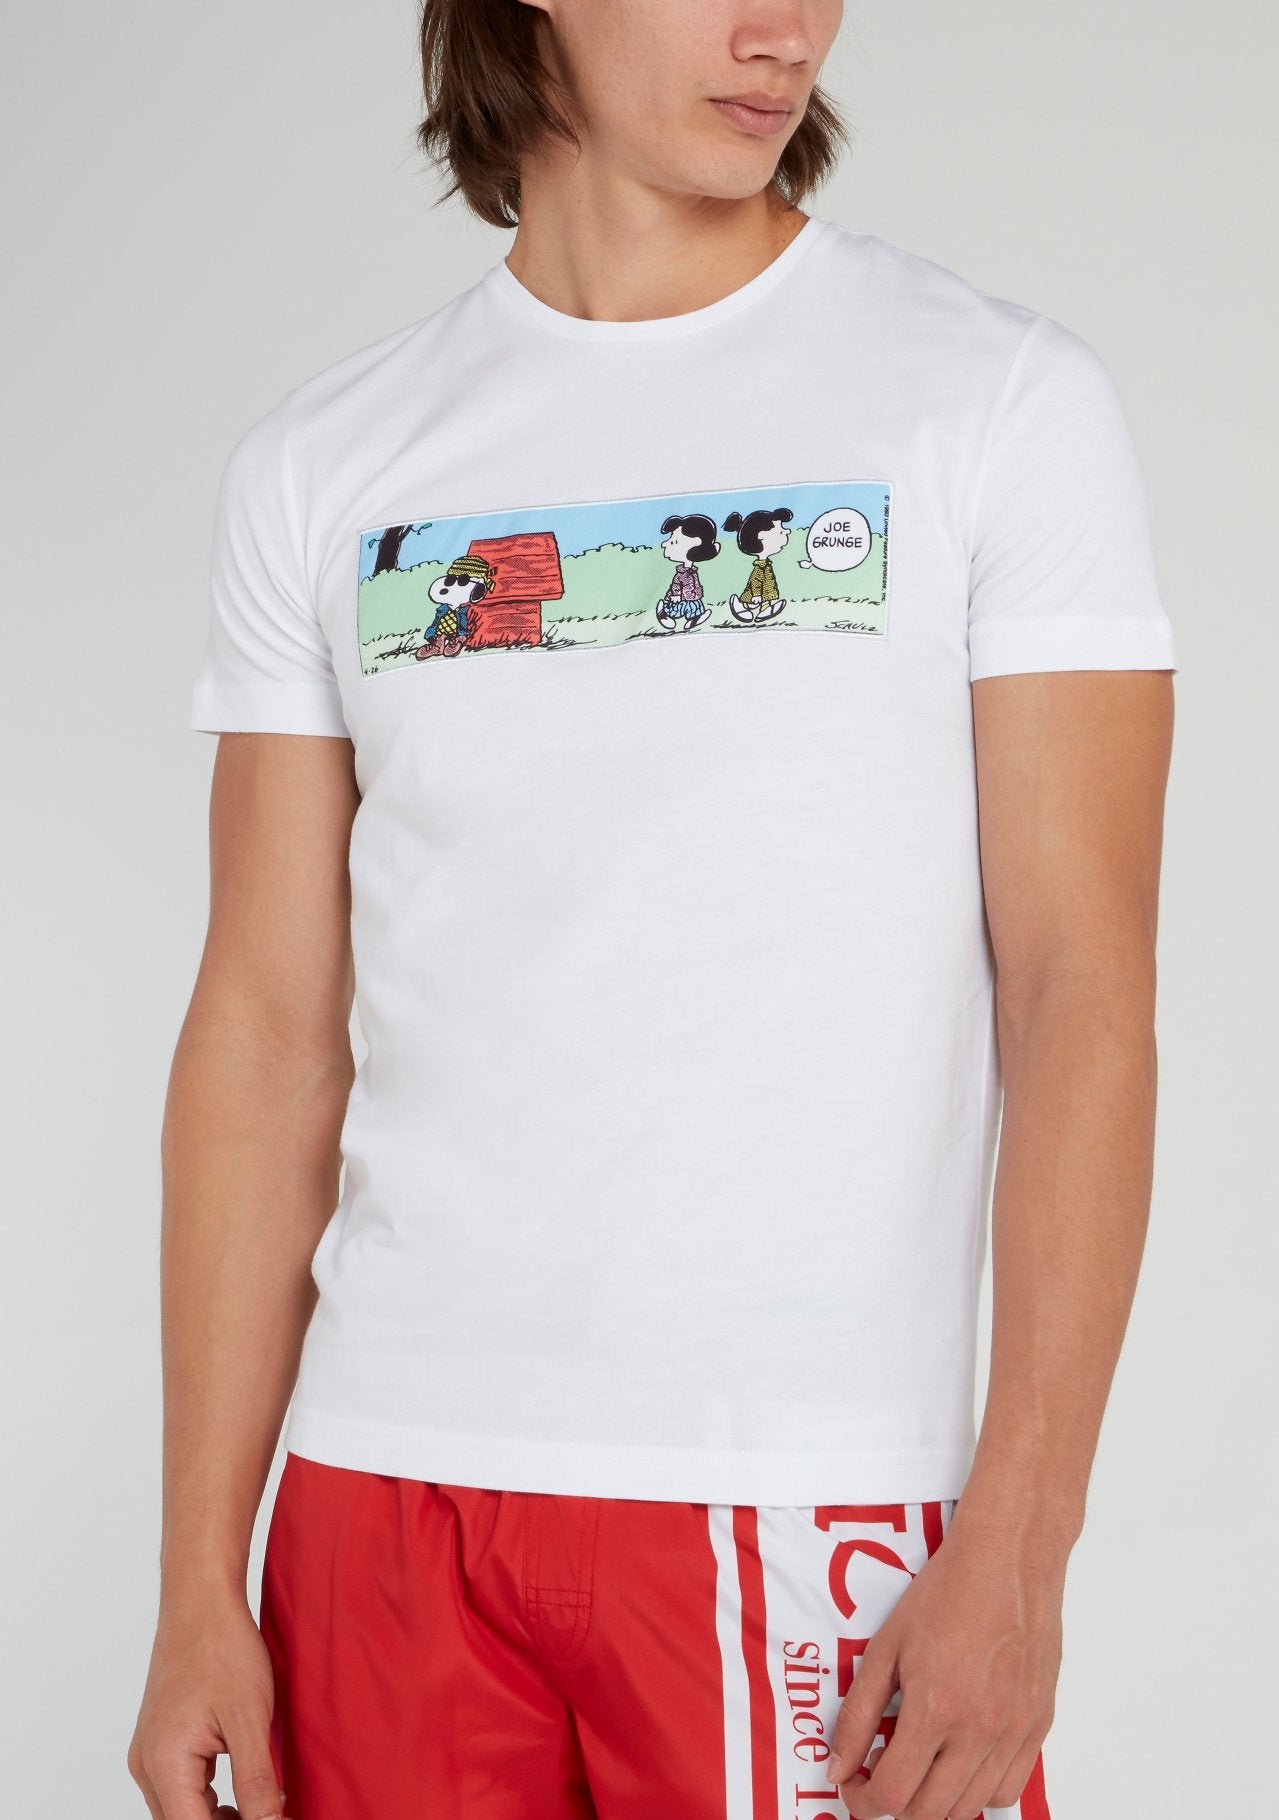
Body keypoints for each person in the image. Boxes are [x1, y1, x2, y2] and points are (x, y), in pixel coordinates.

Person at [127, 1, 1176, 1817]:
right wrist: (194, 1578)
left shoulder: (991, 398)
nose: (785, 32)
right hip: (386, 1495)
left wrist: (1021, 1536)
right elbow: (266, 1038)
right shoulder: (324, 460)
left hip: (802, 1493)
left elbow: (1077, 990)